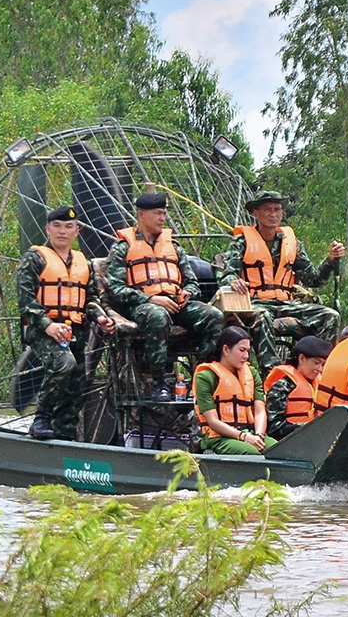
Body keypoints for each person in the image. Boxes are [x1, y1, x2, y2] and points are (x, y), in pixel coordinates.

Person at [106, 191, 224, 401]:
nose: (163, 218)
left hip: (176, 303)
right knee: (157, 316)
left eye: (164, 213)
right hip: (142, 306)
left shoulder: (174, 247)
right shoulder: (123, 248)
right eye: (157, 214)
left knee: (214, 316)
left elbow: (192, 282)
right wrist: (150, 299)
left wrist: (187, 293)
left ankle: (202, 376)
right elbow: (116, 289)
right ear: (141, 215)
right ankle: (159, 383)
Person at [15, 205, 116, 440]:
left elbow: (89, 298)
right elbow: (26, 301)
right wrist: (48, 325)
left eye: (69, 227)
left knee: (77, 383)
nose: (63, 231)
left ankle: (65, 434)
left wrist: (100, 317)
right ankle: (41, 419)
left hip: (75, 331)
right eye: (57, 226)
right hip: (43, 329)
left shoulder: (83, 263)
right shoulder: (35, 258)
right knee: (63, 364)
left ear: (76, 231)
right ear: (48, 229)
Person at [220, 190, 345, 375]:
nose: (273, 214)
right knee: (262, 316)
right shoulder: (241, 241)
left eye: (277, 209)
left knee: (331, 315)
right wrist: (234, 281)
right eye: (268, 209)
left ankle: (319, 370)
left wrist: (330, 260)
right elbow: (228, 274)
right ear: (256, 213)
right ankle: (273, 375)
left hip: (287, 303)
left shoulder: (292, 243)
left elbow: (313, 279)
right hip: (256, 303)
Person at [193, 326, 275, 454]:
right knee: (252, 453)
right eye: (242, 350)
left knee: (279, 451)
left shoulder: (252, 374)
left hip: (251, 433)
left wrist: (259, 435)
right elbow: (212, 421)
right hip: (219, 437)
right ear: (226, 349)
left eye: (248, 351)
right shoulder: (205, 376)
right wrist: (243, 436)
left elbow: (260, 411)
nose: (246, 356)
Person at [264, 335, 334, 440]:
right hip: (289, 442)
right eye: (316, 363)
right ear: (301, 359)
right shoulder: (282, 385)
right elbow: (274, 428)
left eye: (323, 364)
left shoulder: (321, 384)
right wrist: (308, 428)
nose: (319, 369)